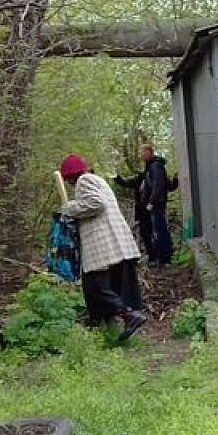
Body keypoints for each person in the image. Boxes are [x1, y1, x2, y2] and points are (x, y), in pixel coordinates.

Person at [59, 153, 149, 341]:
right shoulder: (97, 180)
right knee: (114, 288)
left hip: (104, 244)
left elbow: (95, 204)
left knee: (95, 287)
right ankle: (115, 326)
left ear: (70, 176)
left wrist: (69, 209)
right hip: (116, 243)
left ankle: (129, 316)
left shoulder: (85, 180)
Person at [114, 140, 179, 266]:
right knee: (148, 232)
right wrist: (116, 177)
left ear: (148, 152)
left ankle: (164, 258)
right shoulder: (147, 171)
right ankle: (154, 257)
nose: (140, 154)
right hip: (145, 209)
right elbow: (129, 183)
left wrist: (152, 202)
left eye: (141, 152)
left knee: (159, 231)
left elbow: (160, 185)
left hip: (153, 206)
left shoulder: (155, 167)